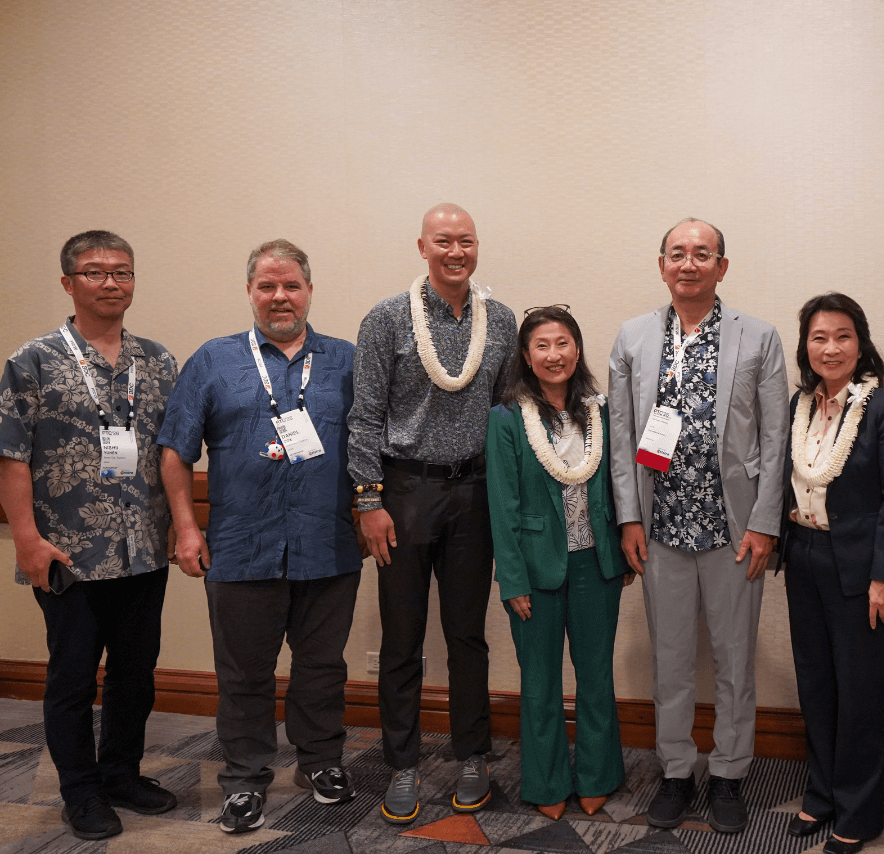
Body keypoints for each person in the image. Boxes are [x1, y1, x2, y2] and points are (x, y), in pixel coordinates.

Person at [158, 240, 362, 834]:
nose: (280, 297)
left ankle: (320, 762)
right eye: (267, 286)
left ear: (309, 290)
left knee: (322, 666)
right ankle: (245, 780)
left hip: (328, 543)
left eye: (291, 285)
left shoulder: (347, 361)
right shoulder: (213, 361)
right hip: (242, 545)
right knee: (244, 672)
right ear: (250, 291)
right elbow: (174, 450)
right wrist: (187, 527)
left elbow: (372, 446)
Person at [609, 217, 789, 833]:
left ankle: (732, 774)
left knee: (736, 659)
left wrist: (766, 522)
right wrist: (628, 516)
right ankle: (678, 770)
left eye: (703, 254)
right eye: (677, 254)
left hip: (734, 528)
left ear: (723, 266)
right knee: (671, 657)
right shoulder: (632, 338)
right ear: (661, 265)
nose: (689, 263)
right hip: (660, 527)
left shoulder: (759, 338)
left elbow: (775, 435)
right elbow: (622, 437)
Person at [0, 231, 179, 841]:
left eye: (122, 272)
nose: (111, 283)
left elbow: (172, 454)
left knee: (137, 671)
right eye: (96, 271)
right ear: (68, 282)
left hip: (144, 549)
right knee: (72, 676)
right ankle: (80, 791)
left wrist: (182, 528)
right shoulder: (34, 360)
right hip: (67, 552)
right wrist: (26, 540)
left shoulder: (158, 361)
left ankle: (121, 773)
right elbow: (12, 457)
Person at [348, 203, 516, 824]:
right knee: (402, 636)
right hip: (404, 492)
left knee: (468, 634)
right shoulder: (387, 319)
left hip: (474, 494)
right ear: (421, 246)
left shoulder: (500, 321)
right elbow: (364, 417)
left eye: (466, 241)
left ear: (477, 247)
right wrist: (369, 502)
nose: (455, 251)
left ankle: (474, 755)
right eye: (442, 241)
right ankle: (402, 765)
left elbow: (508, 416)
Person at [778, 293, 884, 854]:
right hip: (805, 558)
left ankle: (858, 812)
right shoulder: (799, 406)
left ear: (860, 344)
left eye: (842, 336)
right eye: (819, 337)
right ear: (805, 346)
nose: (830, 347)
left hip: (862, 571)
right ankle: (822, 794)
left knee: (860, 691)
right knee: (815, 682)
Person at [486, 306, 633, 821]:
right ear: (526, 356)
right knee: (540, 681)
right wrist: (512, 579)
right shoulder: (507, 417)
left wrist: (624, 544)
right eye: (543, 346)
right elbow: (501, 506)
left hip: (597, 564)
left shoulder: (602, 412)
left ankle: (597, 775)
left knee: (596, 676)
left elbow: (621, 486)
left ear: (577, 349)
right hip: (535, 569)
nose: (555, 355)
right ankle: (547, 780)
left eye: (564, 343)